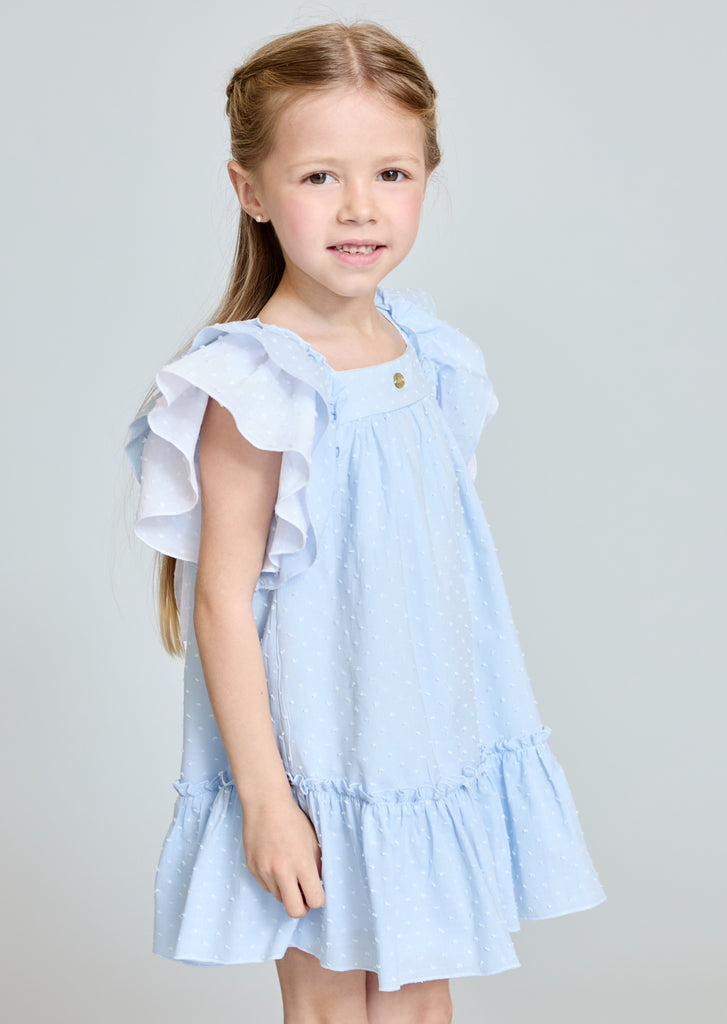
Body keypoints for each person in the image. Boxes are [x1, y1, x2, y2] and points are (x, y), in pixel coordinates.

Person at [126, 21, 606, 1024]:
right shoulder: (257, 379)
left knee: (420, 999)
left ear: (427, 176)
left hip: (418, 740)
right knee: (332, 1002)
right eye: (318, 177)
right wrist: (268, 798)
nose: (359, 207)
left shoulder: (426, 351)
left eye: (391, 173)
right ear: (251, 190)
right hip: (318, 755)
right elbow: (219, 601)